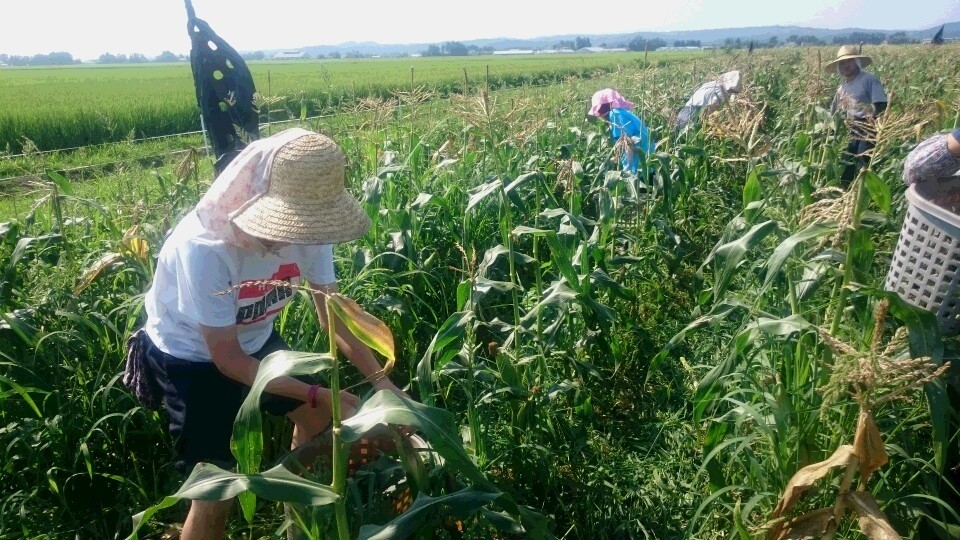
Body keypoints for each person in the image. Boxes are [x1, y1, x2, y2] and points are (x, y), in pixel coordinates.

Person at [124, 128, 409, 539]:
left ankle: (298, 521)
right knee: (214, 487)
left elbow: (333, 316)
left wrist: (382, 384)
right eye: (283, 223)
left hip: (257, 342)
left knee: (315, 419)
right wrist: (319, 393)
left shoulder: (309, 225)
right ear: (254, 198)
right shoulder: (205, 248)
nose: (290, 238)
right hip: (192, 358)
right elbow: (227, 358)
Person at [826, 45, 888, 187]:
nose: (845, 66)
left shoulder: (868, 79)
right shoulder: (842, 88)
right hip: (850, 127)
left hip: (867, 126)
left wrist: (875, 124)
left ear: (857, 62)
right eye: (842, 63)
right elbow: (833, 112)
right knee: (847, 162)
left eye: (849, 61)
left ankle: (860, 193)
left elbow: (881, 104)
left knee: (862, 163)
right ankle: (844, 191)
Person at [588, 88, 656, 175]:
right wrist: (615, 159)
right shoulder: (621, 112)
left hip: (640, 165)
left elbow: (626, 143)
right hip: (647, 159)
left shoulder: (615, 114)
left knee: (641, 186)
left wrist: (628, 170)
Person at [674, 70, 742, 133]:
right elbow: (712, 106)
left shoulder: (709, 84)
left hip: (684, 111)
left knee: (677, 136)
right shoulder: (723, 92)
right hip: (695, 115)